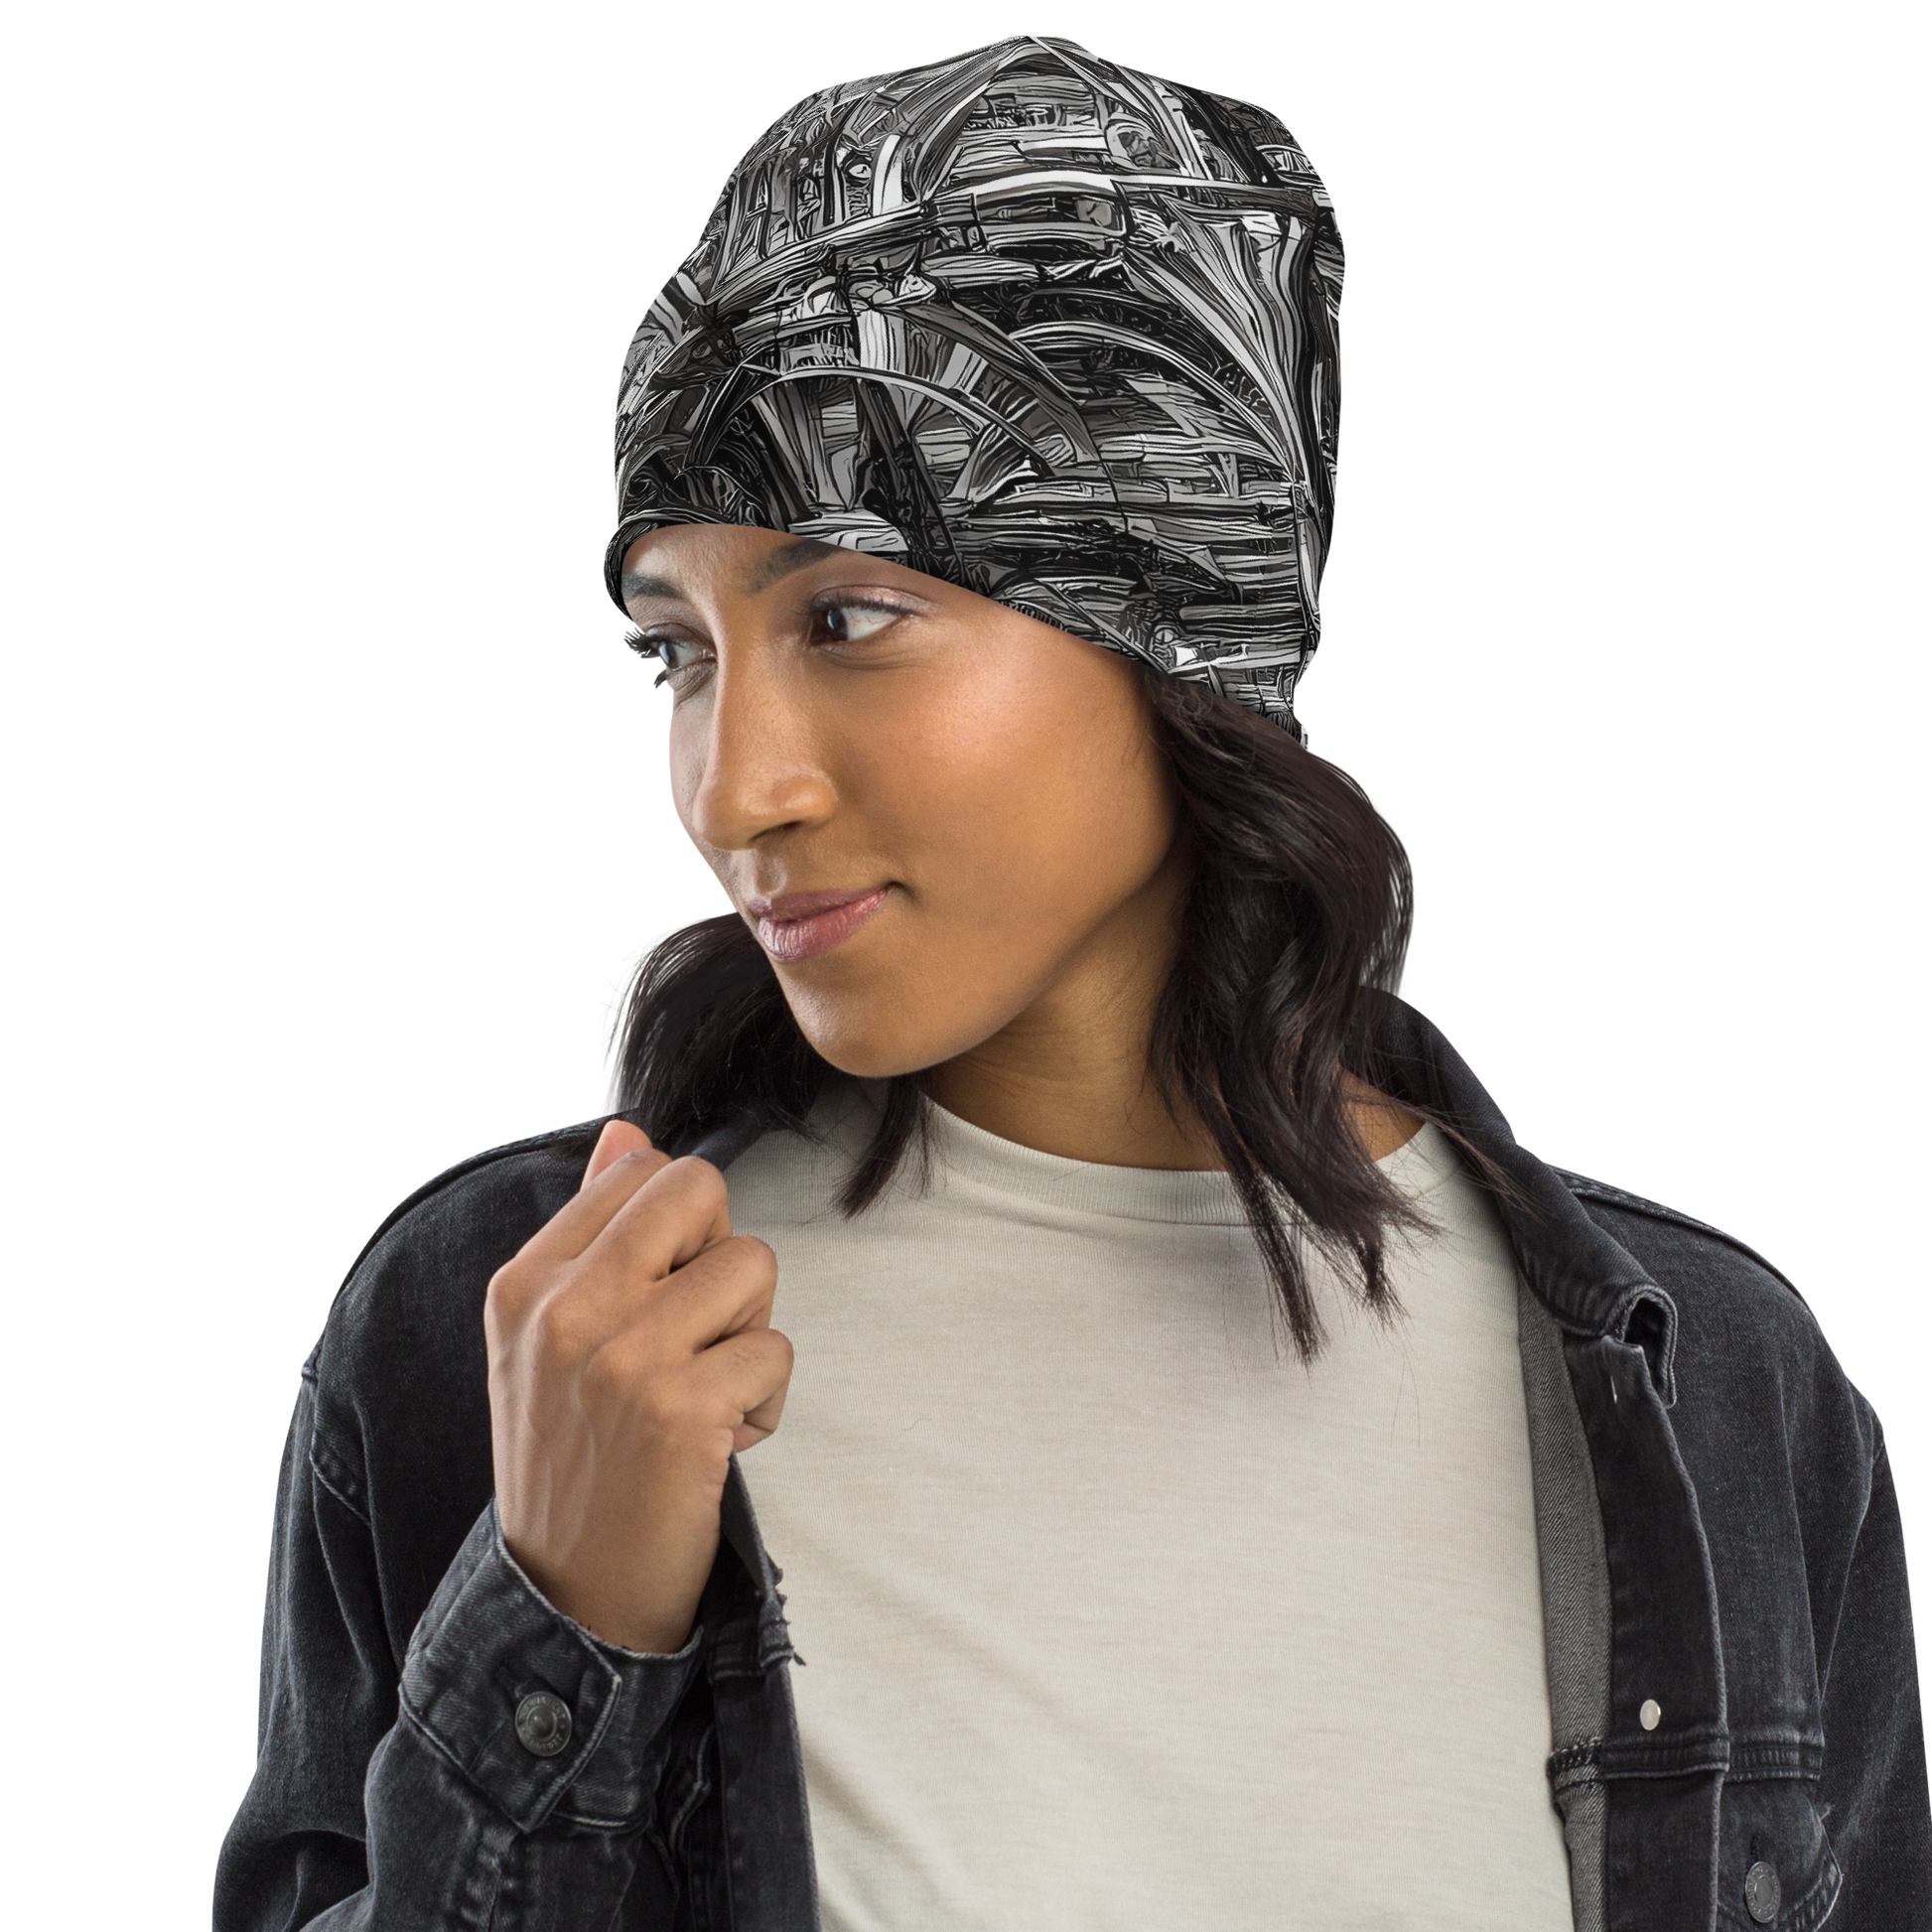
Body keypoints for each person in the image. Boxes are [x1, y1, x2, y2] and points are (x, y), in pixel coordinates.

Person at [213, 34, 1930, 1931]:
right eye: (679, 651)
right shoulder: (508, 1334)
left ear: (1179, 639)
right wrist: (562, 1620)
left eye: (847, 616)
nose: (733, 786)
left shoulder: (1721, 1394)